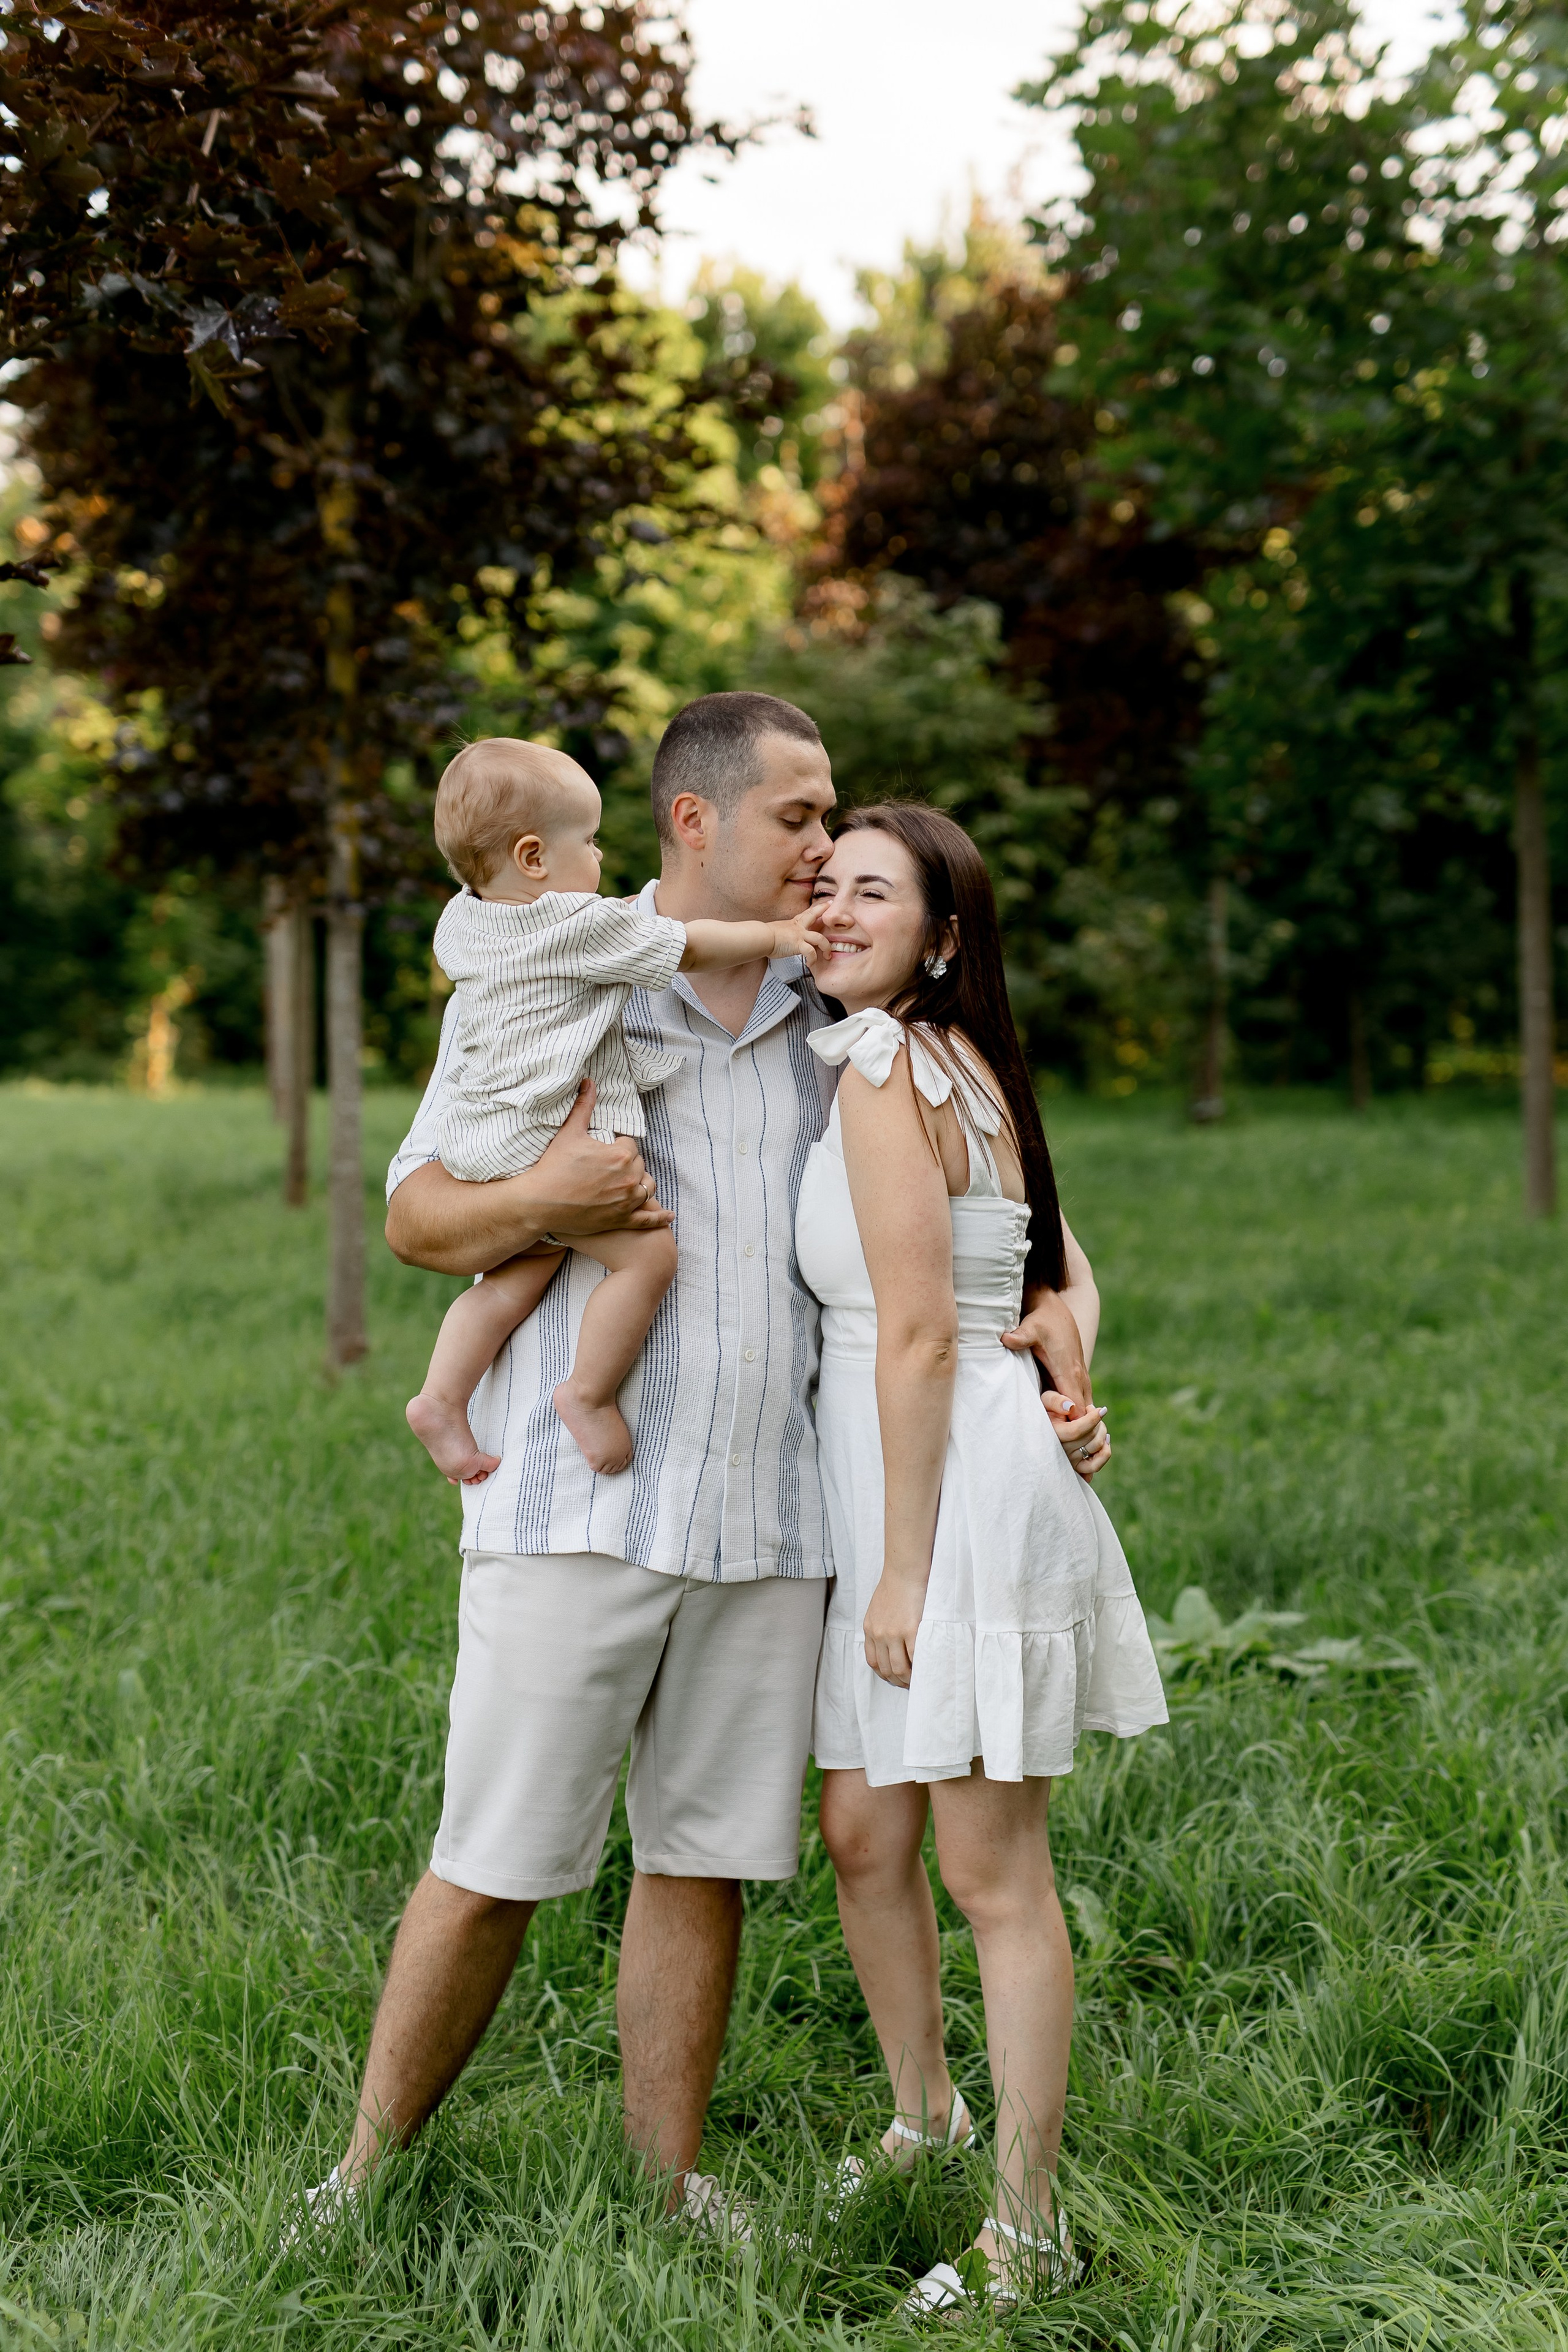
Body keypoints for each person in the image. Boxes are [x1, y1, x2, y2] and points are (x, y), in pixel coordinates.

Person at [293, 697, 1106, 2237]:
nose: (822, 847)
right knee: (494, 1856)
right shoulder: (570, 978)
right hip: (573, 1506)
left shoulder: (839, 1023)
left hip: (770, 1523)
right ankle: (358, 2178)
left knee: (701, 1862)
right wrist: (549, 1186)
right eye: (799, 819)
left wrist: (1069, 1332)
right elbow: (414, 1217)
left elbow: (1028, 1238)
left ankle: (665, 2183)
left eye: (830, 822)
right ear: (693, 822)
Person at [796, 802, 1167, 2312]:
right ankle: (921, 2110)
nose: (828, 908)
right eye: (821, 882)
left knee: (986, 1863)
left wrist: (899, 1565)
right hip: (913, 1467)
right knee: (861, 1829)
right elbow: (1055, 1267)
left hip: (936, 1488)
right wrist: (1068, 1350)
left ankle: (1027, 2221)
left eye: (868, 892)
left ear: (941, 937)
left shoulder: (892, 1062)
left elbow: (919, 1332)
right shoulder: (945, 1055)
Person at [404, 737, 826, 1482]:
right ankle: (589, 1393)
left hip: (486, 1137)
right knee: (647, 1257)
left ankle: (441, 1397)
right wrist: (779, 937)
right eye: (589, 841)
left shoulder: (463, 926)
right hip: (547, 1137)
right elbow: (686, 946)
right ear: (535, 859)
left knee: (515, 1274)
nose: (600, 859)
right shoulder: (584, 925)